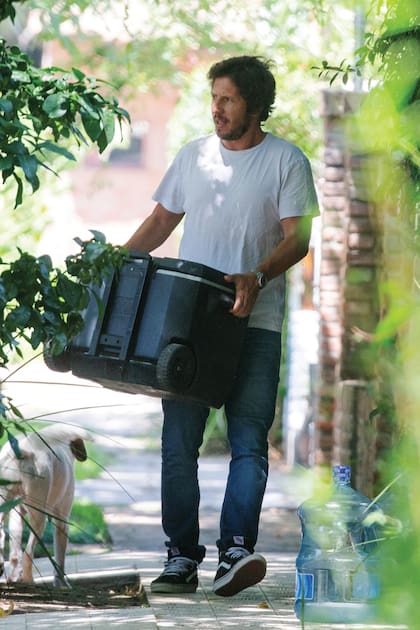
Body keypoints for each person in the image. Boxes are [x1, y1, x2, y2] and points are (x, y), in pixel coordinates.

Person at [124, 55, 319, 597]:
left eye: (227, 99)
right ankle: (180, 556)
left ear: (254, 105)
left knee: (249, 442)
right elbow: (162, 221)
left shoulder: (286, 161)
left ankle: (236, 550)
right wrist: (110, 266)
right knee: (177, 444)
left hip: (255, 325)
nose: (216, 109)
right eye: (214, 98)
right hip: (188, 327)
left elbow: (297, 239)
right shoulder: (193, 158)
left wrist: (257, 275)